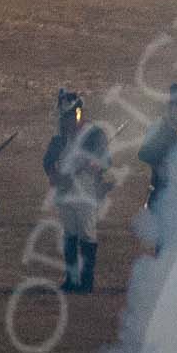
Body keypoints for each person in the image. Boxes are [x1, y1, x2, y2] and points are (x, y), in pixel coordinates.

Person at [44, 90, 113, 293]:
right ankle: (71, 279)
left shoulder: (94, 134)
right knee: (70, 234)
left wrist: (93, 164)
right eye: (65, 116)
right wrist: (53, 174)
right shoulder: (60, 139)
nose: (68, 121)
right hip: (65, 190)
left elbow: (105, 161)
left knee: (86, 234)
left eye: (70, 115)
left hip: (86, 189)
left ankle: (86, 281)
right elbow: (47, 160)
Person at [136, 83, 177, 254]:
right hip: (162, 194)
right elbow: (144, 153)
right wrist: (162, 159)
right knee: (164, 246)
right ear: (171, 108)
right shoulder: (159, 128)